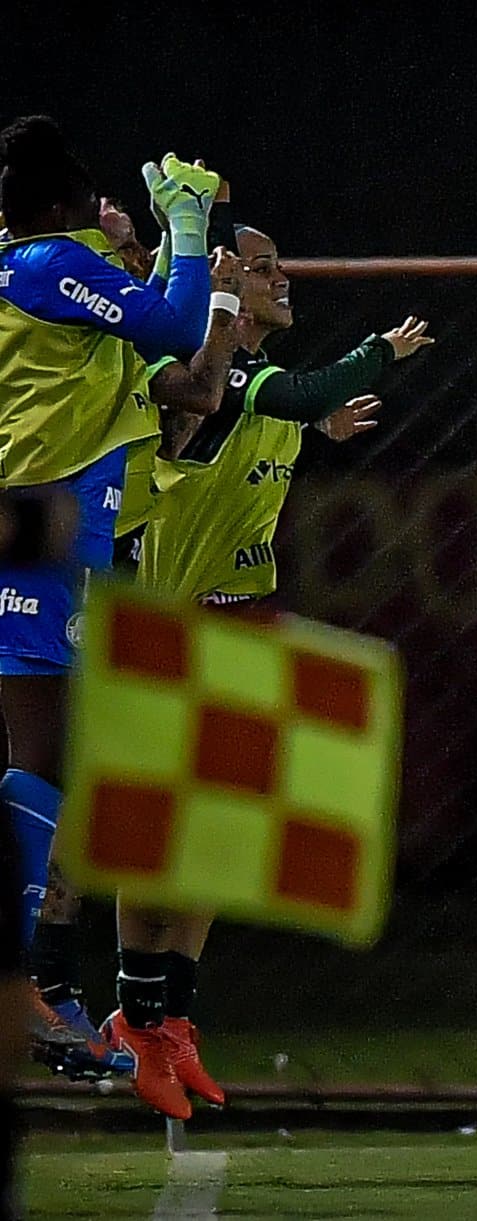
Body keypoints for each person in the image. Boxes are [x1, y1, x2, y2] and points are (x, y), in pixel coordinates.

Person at [107, 222, 433, 1119]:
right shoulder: (220, 377)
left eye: (279, 264)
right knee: (159, 839)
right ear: (226, 288)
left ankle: (172, 1021)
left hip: (241, 621)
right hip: (175, 629)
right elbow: (293, 390)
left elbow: (291, 407)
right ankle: (133, 1019)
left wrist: (318, 423)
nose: (281, 277)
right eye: (261, 267)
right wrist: (378, 354)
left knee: (218, 838)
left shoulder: (263, 395)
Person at [0, 117, 227, 1070]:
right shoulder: (45, 263)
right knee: (41, 758)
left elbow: (182, 377)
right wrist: (181, 225)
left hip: (56, 544)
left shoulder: (52, 275)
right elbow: (176, 325)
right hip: (30, 544)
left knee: (57, 764)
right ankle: (23, 988)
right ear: (58, 207)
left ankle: (38, 987)